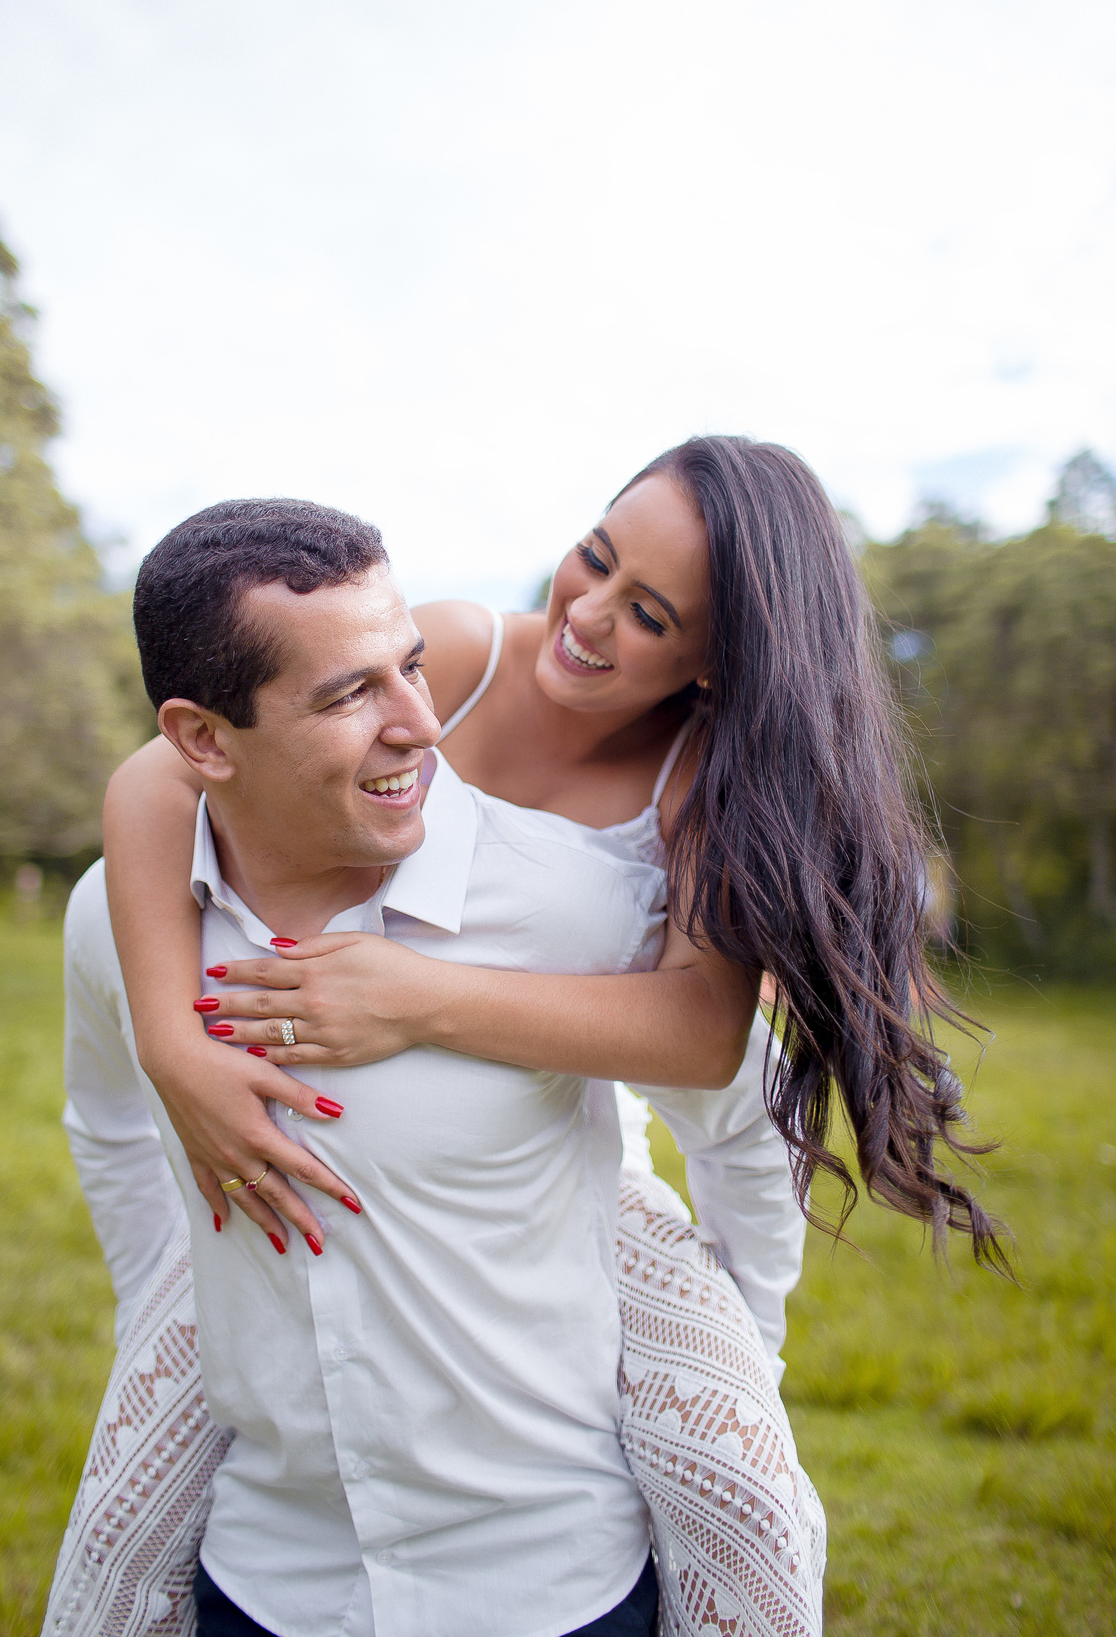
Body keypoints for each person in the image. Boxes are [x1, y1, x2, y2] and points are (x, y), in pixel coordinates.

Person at [53, 493, 822, 1637]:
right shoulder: (131, 911)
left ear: (710, 666)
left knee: (754, 1504)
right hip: (270, 1577)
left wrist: (735, 1364)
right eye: (350, 691)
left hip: (549, 1578)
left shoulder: (597, 893)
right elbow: (108, 1123)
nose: (421, 722)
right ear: (206, 737)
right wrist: (172, 1293)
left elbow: (724, 1078)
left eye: (407, 670)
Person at [104, 436, 1002, 1270]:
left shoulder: (692, 783)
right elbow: (158, 779)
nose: (588, 613)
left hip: (552, 1124)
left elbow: (701, 1033)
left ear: (716, 661)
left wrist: (418, 1000)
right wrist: (169, 1044)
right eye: (597, 556)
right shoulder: (455, 655)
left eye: (648, 615)